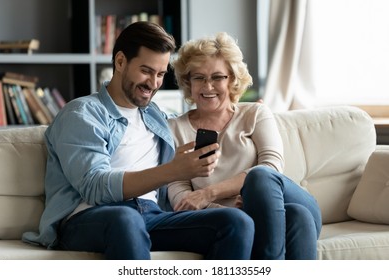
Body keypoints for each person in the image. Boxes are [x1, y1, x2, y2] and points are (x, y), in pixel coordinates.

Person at [22, 22, 255, 260]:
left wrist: (241, 114)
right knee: (126, 218)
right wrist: (170, 171)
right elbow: (94, 186)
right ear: (120, 62)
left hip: (152, 216)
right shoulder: (82, 114)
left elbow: (205, 116)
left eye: (161, 74)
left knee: (235, 222)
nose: (153, 83)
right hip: (90, 218)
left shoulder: (159, 118)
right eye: (146, 70)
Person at [167, 32, 322, 260]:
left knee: (261, 176)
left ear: (232, 80)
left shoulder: (255, 113)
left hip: (284, 198)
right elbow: (179, 193)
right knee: (297, 216)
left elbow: (273, 166)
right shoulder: (174, 129)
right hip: (241, 218)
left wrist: (210, 193)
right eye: (199, 77)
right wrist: (231, 213)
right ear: (188, 82)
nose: (208, 86)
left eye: (218, 77)